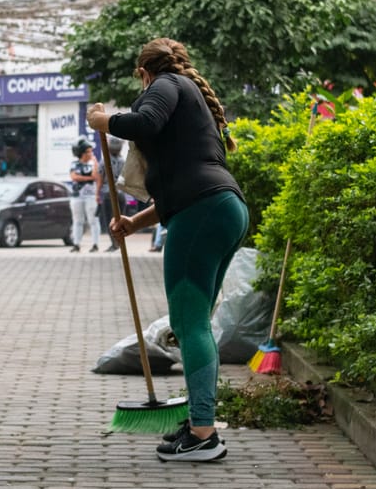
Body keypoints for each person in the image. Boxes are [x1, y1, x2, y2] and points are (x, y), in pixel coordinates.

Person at [86, 37, 248, 463]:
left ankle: (204, 435)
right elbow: (186, 184)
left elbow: (144, 124)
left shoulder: (164, 85)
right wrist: (135, 222)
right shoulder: (187, 92)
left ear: (144, 71)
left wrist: (104, 120)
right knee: (196, 323)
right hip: (224, 209)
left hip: (202, 214)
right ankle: (199, 422)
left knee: (189, 323)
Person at [68, 138, 102, 252]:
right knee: (77, 220)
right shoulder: (74, 163)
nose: (91, 153)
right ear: (82, 153)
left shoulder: (93, 163)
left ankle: (95, 244)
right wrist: (89, 178)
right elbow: (74, 176)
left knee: (93, 220)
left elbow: (96, 176)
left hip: (91, 196)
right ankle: (76, 244)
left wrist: (95, 162)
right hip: (77, 196)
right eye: (88, 151)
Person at [99, 135, 126, 252]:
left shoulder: (104, 160)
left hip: (107, 193)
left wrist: (97, 193)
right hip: (121, 193)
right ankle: (119, 243)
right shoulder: (123, 161)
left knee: (109, 220)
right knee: (120, 220)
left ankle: (114, 244)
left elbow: (100, 178)